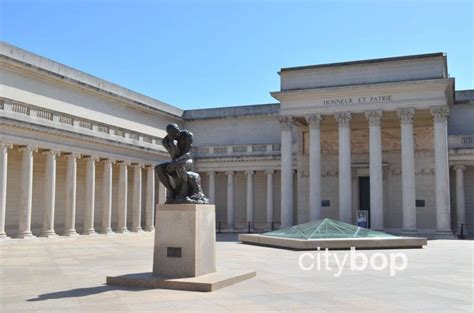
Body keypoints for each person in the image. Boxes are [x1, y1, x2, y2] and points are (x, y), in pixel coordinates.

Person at [155, 124, 207, 204]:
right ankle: (171, 192)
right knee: (158, 168)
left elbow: (188, 154)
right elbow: (174, 156)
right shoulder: (166, 141)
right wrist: (172, 146)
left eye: (178, 131)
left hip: (187, 160)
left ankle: (184, 191)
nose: (178, 134)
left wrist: (175, 162)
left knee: (179, 165)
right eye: (175, 134)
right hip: (175, 161)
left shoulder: (187, 135)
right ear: (169, 134)